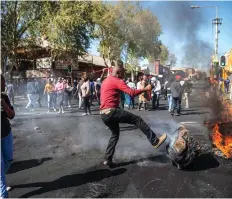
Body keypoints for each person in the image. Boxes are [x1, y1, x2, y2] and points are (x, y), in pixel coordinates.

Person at [100, 61, 167, 165]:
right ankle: (155, 141)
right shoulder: (117, 80)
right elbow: (131, 93)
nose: (123, 75)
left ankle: (107, 159)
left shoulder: (106, 80)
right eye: (122, 73)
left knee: (115, 134)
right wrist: (145, 89)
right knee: (137, 119)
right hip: (111, 111)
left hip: (103, 114)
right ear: (118, 72)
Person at [1, 74, 15, 198]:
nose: (4, 84)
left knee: (9, 160)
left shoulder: (4, 96)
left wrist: (3, 104)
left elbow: (11, 115)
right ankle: (3, 194)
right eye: (2, 81)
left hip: (6, 133)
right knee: (0, 166)